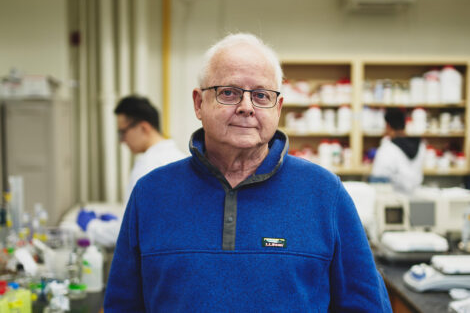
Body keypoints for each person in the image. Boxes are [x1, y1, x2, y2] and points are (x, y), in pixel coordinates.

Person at [104, 33, 392, 312]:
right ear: (198, 103)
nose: (246, 107)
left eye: (261, 95)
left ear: (277, 107)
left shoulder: (325, 194)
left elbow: (367, 306)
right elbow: (122, 305)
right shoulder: (151, 194)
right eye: (228, 93)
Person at [76, 95, 186, 247]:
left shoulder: (148, 166)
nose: (122, 140)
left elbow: (130, 232)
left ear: (143, 128)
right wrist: (118, 221)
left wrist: (91, 226)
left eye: (123, 132)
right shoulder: (180, 157)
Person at [371, 108, 426, 194]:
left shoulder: (387, 148)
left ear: (388, 126)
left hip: (394, 200)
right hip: (416, 196)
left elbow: (377, 176)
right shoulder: (421, 145)